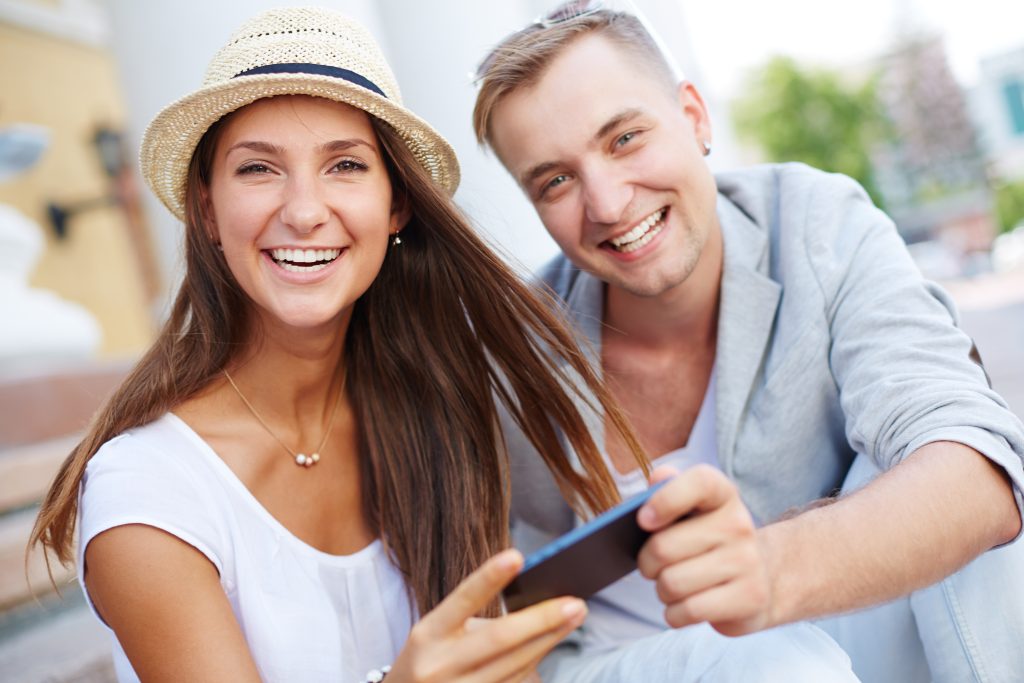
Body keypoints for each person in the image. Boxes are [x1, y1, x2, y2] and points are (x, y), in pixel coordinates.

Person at [25, 8, 664, 682]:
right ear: (208, 210)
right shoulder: (149, 491)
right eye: (258, 169)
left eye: (346, 165)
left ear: (397, 207)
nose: (304, 210)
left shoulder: (433, 412)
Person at [472, 5, 1024, 682]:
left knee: (945, 474)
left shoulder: (816, 224)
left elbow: (984, 478)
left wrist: (769, 568)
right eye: (555, 180)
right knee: (777, 663)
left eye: (624, 139)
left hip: (822, 614)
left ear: (695, 118)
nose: (608, 204)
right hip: (629, 660)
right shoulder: (510, 350)